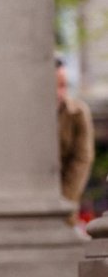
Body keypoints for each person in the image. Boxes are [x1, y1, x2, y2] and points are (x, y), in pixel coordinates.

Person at [56, 58, 94, 215]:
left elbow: (81, 160)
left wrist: (65, 203)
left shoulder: (77, 113)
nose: (60, 92)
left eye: (63, 85)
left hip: (64, 203)